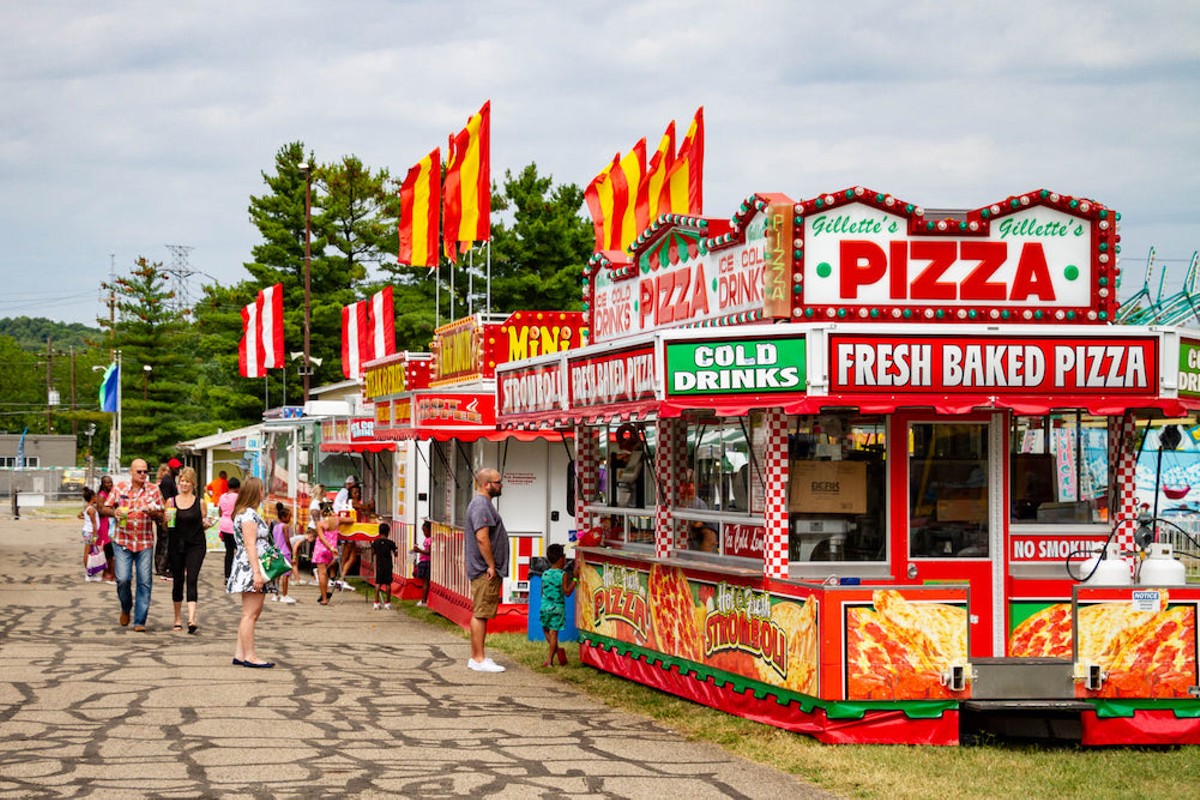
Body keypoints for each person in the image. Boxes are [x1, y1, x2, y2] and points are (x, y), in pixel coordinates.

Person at [106, 458, 165, 632]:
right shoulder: (120, 488)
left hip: (144, 541)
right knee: (123, 579)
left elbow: (162, 516)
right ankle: (126, 607)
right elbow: (105, 507)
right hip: (122, 540)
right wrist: (114, 512)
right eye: (139, 471)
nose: (143, 475)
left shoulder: (154, 490)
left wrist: (153, 512)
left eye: (145, 471)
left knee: (145, 582)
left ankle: (140, 620)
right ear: (131, 472)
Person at [226, 476, 275, 668]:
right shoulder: (248, 516)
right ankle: (250, 656)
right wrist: (257, 573)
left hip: (247, 566)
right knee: (251, 614)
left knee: (248, 613)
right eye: (262, 490)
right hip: (251, 567)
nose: (264, 493)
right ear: (256, 492)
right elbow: (250, 544)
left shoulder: (245, 513)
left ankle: (241, 653)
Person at [464, 467, 509, 673]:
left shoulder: (483, 505)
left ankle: (479, 655)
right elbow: (482, 538)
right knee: (481, 613)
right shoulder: (481, 506)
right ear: (486, 484)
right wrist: (491, 565)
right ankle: (478, 658)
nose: (501, 486)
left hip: (484, 568)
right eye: (498, 482)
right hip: (484, 569)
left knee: (482, 611)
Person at [168, 467, 208, 634]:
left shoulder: (200, 502)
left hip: (196, 545)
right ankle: (177, 618)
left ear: (193, 483)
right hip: (176, 544)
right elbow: (167, 525)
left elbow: (204, 522)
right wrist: (166, 519)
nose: (184, 484)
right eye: (182, 481)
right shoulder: (171, 502)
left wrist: (207, 523)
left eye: (187, 481)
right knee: (178, 581)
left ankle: (191, 619)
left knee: (192, 579)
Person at [540, 543, 577, 667]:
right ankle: (550, 660)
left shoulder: (545, 574)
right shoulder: (563, 574)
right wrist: (575, 580)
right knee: (554, 633)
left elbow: (542, 591)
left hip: (545, 606)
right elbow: (567, 592)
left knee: (545, 629)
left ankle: (556, 650)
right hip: (557, 608)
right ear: (562, 559)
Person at [312, 500, 338, 605]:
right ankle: (325, 593)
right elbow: (350, 520)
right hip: (330, 552)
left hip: (320, 550)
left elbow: (322, 538)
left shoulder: (320, 524)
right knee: (326, 573)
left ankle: (324, 598)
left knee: (322, 573)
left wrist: (330, 547)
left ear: (322, 513)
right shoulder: (337, 521)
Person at [154, 461, 177, 579]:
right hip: (167, 514)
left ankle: (160, 566)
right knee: (166, 541)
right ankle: (163, 567)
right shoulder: (168, 481)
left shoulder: (165, 481)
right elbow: (167, 499)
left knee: (162, 540)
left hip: (163, 514)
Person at [272, 503, 297, 604]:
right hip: (285, 551)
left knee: (277, 575)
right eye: (289, 516)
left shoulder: (276, 526)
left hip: (277, 551)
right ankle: (284, 595)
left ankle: (275, 594)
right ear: (283, 517)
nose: (290, 518)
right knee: (286, 575)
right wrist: (291, 550)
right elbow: (287, 540)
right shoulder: (285, 526)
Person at [218, 477, 241, 580]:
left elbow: (220, 512)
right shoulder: (238, 497)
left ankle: (227, 576)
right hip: (234, 527)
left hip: (224, 526)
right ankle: (238, 575)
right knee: (240, 551)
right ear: (238, 487)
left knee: (229, 552)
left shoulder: (222, 496)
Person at [370, 523, 398, 610]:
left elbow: (373, 552)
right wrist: (395, 550)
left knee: (378, 583)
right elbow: (395, 554)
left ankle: (376, 602)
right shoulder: (391, 543)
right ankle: (387, 602)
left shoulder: (376, 542)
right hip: (388, 564)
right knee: (388, 583)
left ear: (379, 531)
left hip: (379, 564)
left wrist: (372, 560)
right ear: (388, 532)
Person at [96, 475, 116, 584]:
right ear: (103, 484)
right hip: (105, 526)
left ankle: (107, 574)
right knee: (110, 553)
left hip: (111, 524)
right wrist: (111, 511)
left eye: (111, 482)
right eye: (107, 483)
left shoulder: (110, 494)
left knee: (110, 553)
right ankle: (110, 575)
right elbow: (100, 510)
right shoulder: (101, 495)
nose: (109, 484)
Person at [81, 487, 101, 582]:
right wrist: (95, 535)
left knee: (90, 552)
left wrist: (85, 518)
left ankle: (91, 573)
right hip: (90, 532)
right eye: (96, 496)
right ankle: (89, 574)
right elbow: (94, 523)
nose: (97, 498)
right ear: (92, 497)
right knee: (88, 552)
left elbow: (79, 515)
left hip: (87, 531)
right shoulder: (91, 510)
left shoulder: (88, 507)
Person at [413, 519, 432, 606]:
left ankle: (424, 600)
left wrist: (419, 550)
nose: (424, 533)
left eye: (425, 531)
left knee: (425, 582)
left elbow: (429, 552)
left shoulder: (430, 540)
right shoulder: (427, 539)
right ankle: (424, 599)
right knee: (424, 581)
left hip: (426, 562)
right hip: (424, 561)